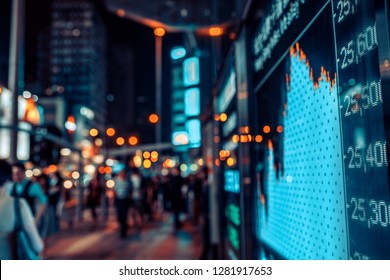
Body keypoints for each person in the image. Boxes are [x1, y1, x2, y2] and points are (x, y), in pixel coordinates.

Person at [0, 160, 44, 260]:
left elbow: (43, 202)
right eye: (14, 174)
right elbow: (38, 246)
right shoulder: (18, 203)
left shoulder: (33, 186)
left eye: (18, 173)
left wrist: (36, 219)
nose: (16, 176)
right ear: (8, 179)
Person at [113, 169, 131, 238]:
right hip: (119, 199)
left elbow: (130, 190)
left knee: (124, 214)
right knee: (119, 215)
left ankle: (123, 231)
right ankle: (123, 225)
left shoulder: (127, 181)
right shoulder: (117, 181)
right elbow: (114, 190)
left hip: (125, 200)